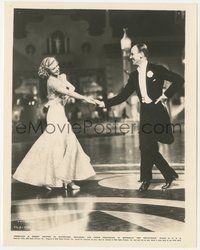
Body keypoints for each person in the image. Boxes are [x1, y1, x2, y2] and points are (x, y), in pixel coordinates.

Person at [95, 43, 184, 191]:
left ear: (142, 54)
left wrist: (165, 95)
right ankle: (159, 177)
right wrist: (104, 103)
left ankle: (153, 178)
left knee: (148, 147)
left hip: (158, 112)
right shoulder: (134, 76)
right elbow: (122, 96)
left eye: (133, 54)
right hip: (146, 114)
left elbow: (179, 80)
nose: (130, 56)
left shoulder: (157, 69)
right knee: (145, 147)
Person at [13, 57, 96, 191]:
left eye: (57, 65)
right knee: (57, 145)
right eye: (53, 67)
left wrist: (63, 79)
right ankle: (53, 179)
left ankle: (67, 180)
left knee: (68, 144)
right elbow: (69, 91)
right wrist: (85, 98)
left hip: (60, 113)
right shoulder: (51, 82)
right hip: (55, 115)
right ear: (48, 70)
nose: (57, 68)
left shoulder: (59, 78)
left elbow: (71, 87)